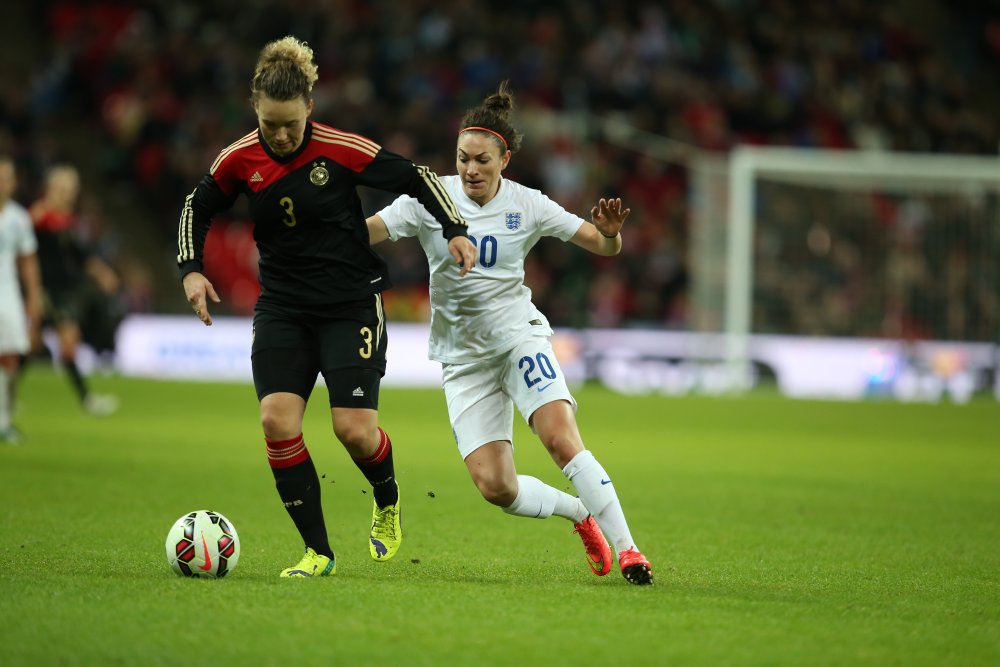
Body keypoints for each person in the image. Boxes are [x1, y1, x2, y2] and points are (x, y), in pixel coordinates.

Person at [177, 36, 476, 579]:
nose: (282, 134)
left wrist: (454, 228)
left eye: (291, 122)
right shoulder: (239, 158)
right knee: (276, 420)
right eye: (271, 124)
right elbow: (198, 206)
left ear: (309, 107)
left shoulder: (340, 148)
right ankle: (318, 552)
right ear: (256, 111)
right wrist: (191, 268)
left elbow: (416, 176)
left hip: (350, 304)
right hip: (284, 307)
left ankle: (387, 502)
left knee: (354, 431)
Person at [367, 82, 653, 585]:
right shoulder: (429, 197)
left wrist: (610, 233)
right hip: (463, 359)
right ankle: (579, 515)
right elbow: (370, 230)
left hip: (519, 339)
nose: (470, 169)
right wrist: (320, 226)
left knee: (561, 440)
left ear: (505, 160)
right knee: (495, 487)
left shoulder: (529, 204)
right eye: (462, 159)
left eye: (481, 160)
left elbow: (603, 247)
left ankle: (631, 552)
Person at [29, 164, 119, 416]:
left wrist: (100, 272)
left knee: (31, 347)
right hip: (43, 290)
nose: (69, 194)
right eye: (64, 188)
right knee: (65, 342)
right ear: (50, 188)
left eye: (72, 189)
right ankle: (87, 400)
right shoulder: (38, 217)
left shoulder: (63, 219)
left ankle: (7, 398)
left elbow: (79, 255)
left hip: (60, 290)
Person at [0, 156, 43, 444]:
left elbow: (28, 263)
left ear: (14, 183)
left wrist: (34, 299)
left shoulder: (18, 218)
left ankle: (3, 421)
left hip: (7, 292)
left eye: (6, 177)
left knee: (11, 355)